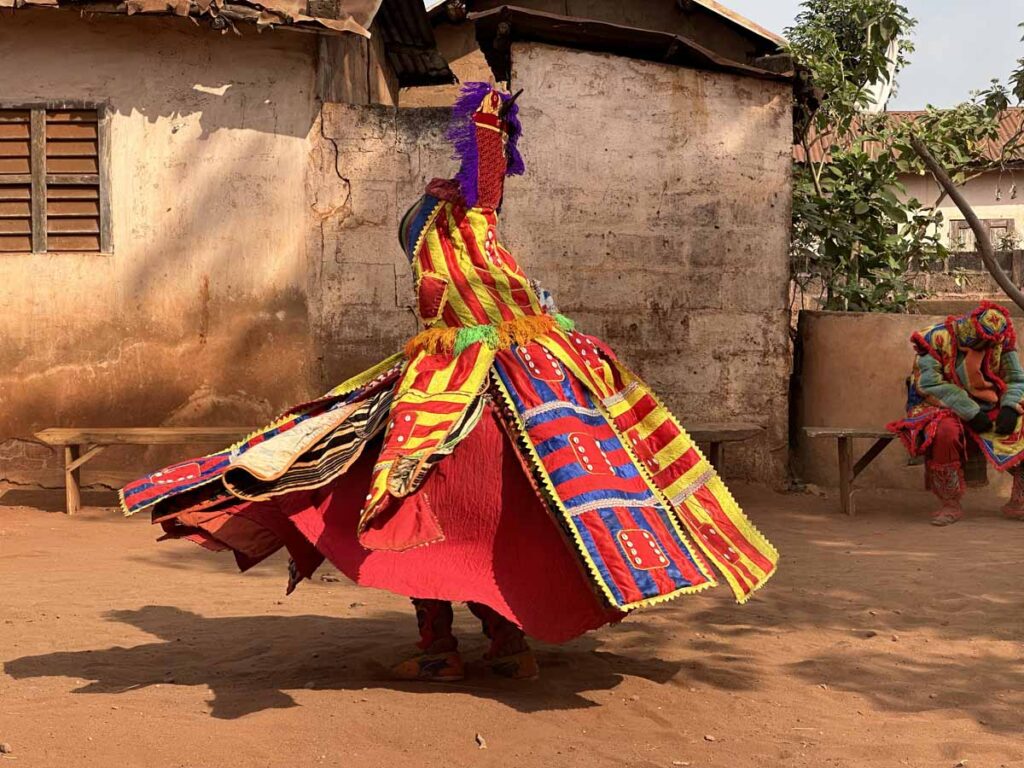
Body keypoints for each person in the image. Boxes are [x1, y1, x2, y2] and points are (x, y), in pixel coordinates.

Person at [121, 83, 778, 682]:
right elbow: (487, 200)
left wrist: (486, 123)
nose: (424, 248)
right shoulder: (486, 297)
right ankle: (501, 643)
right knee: (481, 527)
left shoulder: (470, 228)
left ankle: (445, 645)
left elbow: (485, 184)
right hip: (493, 394)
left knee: (420, 515)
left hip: (464, 399)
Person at [888, 301, 1024, 525]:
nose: (988, 347)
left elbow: (1016, 379)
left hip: (989, 404)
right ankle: (949, 503)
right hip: (939, 403)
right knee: (944, 432)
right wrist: (969, 410)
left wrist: (1009, 406)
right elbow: (929, 385)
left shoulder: (1003, 338)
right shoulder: (935, 338)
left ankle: (1019, 500)